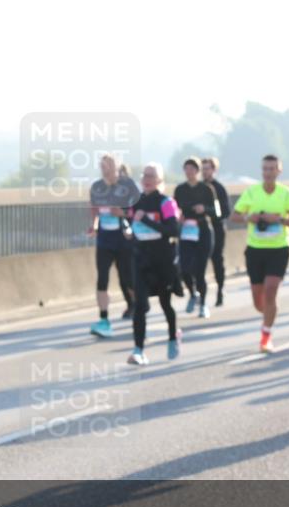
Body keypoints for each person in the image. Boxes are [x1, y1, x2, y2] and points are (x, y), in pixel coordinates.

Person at [230, 155, 289, 353]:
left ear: (279, 171)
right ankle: (269, 314)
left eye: (272, 169)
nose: (268, 172)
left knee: (271, 290)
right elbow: (233, 216)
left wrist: (278, 219)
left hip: (279, 249)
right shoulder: (251, 192)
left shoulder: (287, 194)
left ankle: (266, 336)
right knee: (258, 299)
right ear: (262, 171)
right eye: (265, 169)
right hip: (255, 249)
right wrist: (249, 217)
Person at [126, 163, 182, 365]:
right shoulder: (135, 202)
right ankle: (138, 350)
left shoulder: (166, 202)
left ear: (159, 180)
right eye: (145, 175)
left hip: (163, 260)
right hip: (141, 259)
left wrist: (147, 221)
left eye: (152, 176)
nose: (147, 179)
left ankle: (173, 337)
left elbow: (173, 230)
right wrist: (129, 233)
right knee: (140, 305)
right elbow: (131, 224)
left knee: (166, 304)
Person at [88, 155, 136, 337]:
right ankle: (104, 319)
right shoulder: (97, 187)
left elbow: (136, 210)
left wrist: (122, 213)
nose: (104, 169)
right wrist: (93, 225)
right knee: (102, 279)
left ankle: (138, 309)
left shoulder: (128, 186)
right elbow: (93, 207)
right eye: (102, 166)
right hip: (105, 240)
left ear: (115, 167)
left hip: (124, 239)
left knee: (128, 279)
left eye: (107, 166)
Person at [174, 157, 215, 317]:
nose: (189, 172)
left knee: (200, 270)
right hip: (186, 231)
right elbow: (174, 209)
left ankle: (203, 304)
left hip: (203, 229)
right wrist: (179, 217)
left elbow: (216, 211)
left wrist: (204, 208)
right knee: (184, 268)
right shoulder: (180, 189)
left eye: (192, 169)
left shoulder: (207, 189)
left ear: (197, 171)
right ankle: (193, 293)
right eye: (186, 169)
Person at [201, 157, 231, 307]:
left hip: (217, 229)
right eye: (203, 168)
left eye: (207, 168)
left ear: (213, 170)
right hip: (200, 230)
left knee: (217, 259)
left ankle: (220, 289)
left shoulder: (219, 188)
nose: (204, 171)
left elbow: (225, 211)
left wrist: (208, 211)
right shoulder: (197, 187)